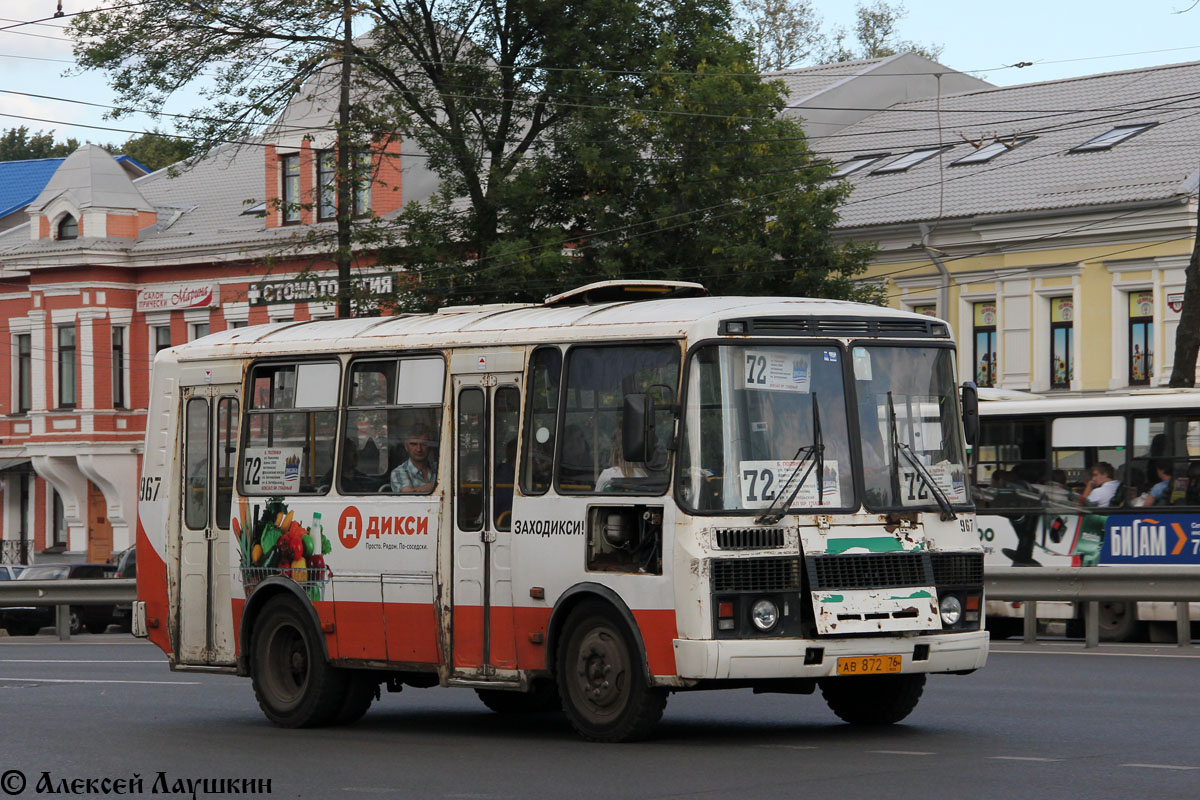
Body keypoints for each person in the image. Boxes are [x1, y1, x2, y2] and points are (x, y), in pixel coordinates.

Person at [390, 423, 438, 493]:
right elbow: (410, 495)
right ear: (406, 447)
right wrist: (436, 485)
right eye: (413, 444)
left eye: (424, 444)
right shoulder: (399, 472)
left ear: (430, 447)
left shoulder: (438, 468)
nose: (419, 449)